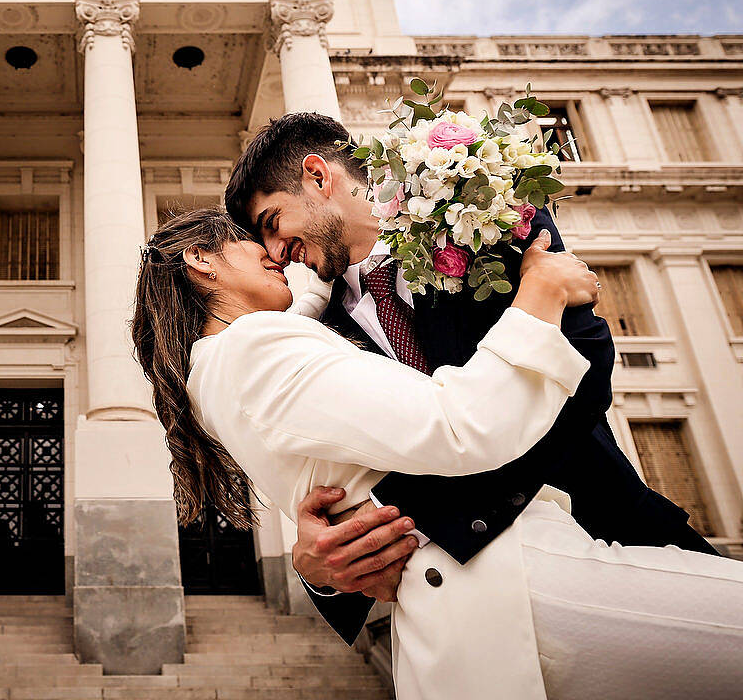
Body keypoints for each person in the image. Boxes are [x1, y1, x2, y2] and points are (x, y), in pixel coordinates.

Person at [131, 207, 743, 699]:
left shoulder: (218, 371)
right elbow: (456, 423)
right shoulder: (257, 347)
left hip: (496, 583)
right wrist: (542, 295)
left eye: (274, 229)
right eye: (253, 240)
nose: (278, 256)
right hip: (511, 576)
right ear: (201, 259)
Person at [222, 113, 719, 645]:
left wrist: (431, 518)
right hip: (469, 621)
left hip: (618, 534)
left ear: (318, 177)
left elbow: (585, 372)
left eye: (273, 223)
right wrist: (323, 569)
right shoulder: (316, 337)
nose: (276, 254)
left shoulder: (480, 203)